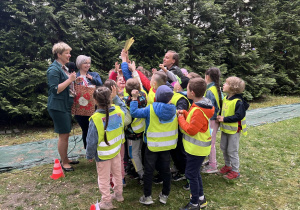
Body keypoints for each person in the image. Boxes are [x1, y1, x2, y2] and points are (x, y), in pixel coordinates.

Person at [130, 85, 178, 205]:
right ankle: (164, 195)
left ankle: (147, 196)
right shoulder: (174, 110)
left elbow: (134, 112)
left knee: (149, 171)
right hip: (167, 146)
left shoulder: (150, 109)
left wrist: (134, 99)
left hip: (152, 146)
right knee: (166, 171)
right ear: (170, 98)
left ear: (156, 97)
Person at [86, 86, 127, 209]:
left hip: (103, 155)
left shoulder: (96, 119)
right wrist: (117, 97)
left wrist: (89, 155)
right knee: (117, 174)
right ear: (110, 98)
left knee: (103, 179)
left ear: (95, 101)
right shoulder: (119, 112)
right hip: (116, 150)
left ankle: (107, 202)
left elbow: (91, 141)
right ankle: (119, 195)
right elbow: (124, 110)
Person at [178, 78, 214, 210]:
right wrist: (186, 113)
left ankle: (194, 203)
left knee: (191, 174)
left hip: (196, 149)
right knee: (195, 173)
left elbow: (191, 130)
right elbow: (196, 121)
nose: (185, 91)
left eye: (187, 89)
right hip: (198, 149)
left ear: (192, 92)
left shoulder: (199, 109)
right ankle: (201, 198)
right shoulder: (200, 105)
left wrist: (180, 118)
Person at [47, 42, 79, 172]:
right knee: (63, 135)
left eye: (69, 52)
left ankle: (66, 158)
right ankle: (64, 162)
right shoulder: (53, 70)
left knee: (66, 133)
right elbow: (55, 89)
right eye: (66, 53)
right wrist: (70, 80)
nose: (69, 55)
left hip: (65, 105)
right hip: (58, 106)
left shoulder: (63, 68)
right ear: (58, 54)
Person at [217, 76, 249, 180]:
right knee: (224, 148)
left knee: (232, 150)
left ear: (233, 87)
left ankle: (235, 171)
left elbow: (239, 116)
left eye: (226, 83)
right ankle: (228, 165)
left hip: (234, 131)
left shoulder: (238, 102)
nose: (223, 85)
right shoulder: (226, 98)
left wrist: (224, 119)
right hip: (225, 129)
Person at [74, 55, 103, 149]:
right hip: (80, 108)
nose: (88, 65)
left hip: (93, 107)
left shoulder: (94, 74)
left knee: (95, 128)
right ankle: (88, 150)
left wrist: (92, 79)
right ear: (79, 64)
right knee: (85, 129)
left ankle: (97, 148)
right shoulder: (75, 76)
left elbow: (100, 84)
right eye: (85, 63)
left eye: (89, 63)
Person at [124, 78, 147, 184]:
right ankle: (142, 169)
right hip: (142, 128)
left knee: (133, 153)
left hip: (132, 132)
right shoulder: (143, 96)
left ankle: (141, 174)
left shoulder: (128, 100)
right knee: (139, 151)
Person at [202, 67, 223, 174]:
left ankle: (213, 165)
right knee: (211, 141)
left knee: (211, 142)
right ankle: (210, 161)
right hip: (215, 119)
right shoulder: (216, 88)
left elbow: (209, 107)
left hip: (211, 120)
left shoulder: (210, 91)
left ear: (207, 76)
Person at [169, 76, 191, 182]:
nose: (175, 83)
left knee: (180, 152)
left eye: (177, 82)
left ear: (180, 86)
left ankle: (185, 172)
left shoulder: (182, 99)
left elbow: (180, 111)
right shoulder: (176, 95)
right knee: (175, 151)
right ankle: (178, 167)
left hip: (180, 130)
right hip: (174, 129)